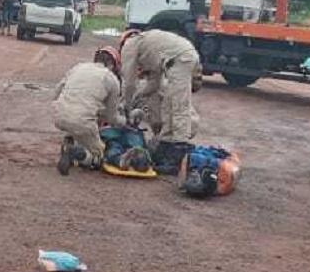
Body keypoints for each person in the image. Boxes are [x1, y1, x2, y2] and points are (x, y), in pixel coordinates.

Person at [120, 28, 201, 159]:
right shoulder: (151, 47)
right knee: (168, 103)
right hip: (183, 55)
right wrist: (137, 96)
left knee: (178, 103)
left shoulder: (130, 44)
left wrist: (126, 107)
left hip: (180, 59)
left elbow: (129, 82)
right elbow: (154, 84)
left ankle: (179, 148)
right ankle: (166, 143)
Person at [53, 46, 122, 175]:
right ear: (112, 64)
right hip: (82, 122)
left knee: (81, 116)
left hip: (59, 116)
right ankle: (78, 153)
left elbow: (57, 92)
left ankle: (69, 140)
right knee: (100, 158)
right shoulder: (112, 79)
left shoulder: (78, 67)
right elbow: (111, 117)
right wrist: (123, 121)